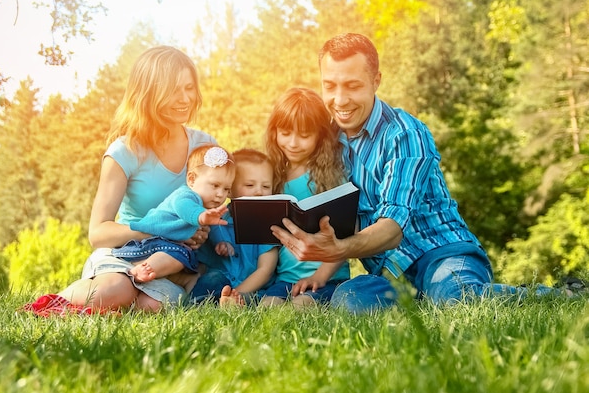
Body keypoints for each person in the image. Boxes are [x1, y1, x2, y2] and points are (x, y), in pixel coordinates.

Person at [270, 33, 559, 314]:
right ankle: (422, 303)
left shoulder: (404, 133)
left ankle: (556, 295)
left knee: (457, 301)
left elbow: (393, 228)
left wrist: (339, 249)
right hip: (389, 276)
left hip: (440, 255)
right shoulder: (327, 141)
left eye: (353, 86)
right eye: (330, 86)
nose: (340, 100)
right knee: (349, 300)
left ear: (376, 81)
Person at [33, 45, 217, 314]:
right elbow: (98, 233)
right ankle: (49, 305)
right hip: (125, 253)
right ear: (149, 94)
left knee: (152, 305)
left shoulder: (206, 149)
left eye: (189, 88)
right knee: (115, 291)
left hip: (173, 261)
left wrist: (203, 230)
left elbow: (218, 206)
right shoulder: (124, 151)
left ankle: (113, 305)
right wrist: (160, 229)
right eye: (174, 90)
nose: (185, 98)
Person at [260, 87, 350, 308]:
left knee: (300, 308)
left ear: (320, 135)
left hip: (327, 278)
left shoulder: (330, 176)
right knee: (267, 308)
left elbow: (346, 237)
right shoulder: (272, 175)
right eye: (286, 133)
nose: (292, 143)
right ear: (274, 131)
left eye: (304, 135)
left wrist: (319, 277)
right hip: (284, 279)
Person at [111, 144, 234, 294]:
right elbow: (185, 208)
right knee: (177, 255)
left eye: (226, 189)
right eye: (215, 185)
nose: (221, 194)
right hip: (154, 243)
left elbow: (210, 233)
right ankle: (141, 270)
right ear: (192, 179)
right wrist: (200, 216)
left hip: (172, 251)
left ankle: (194, 300)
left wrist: (221, 244)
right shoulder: (186, 196)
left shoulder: (207, 210)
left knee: (196, 272)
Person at [191, 148, 279, 306]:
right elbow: (202, 263)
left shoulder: (267, 225)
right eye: (250, 184)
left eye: (266, 186)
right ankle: (198, 304)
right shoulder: (216, 220)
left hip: (251, 289)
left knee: (256, 298)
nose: (259, 192)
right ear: (229, 189)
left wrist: (236, 293)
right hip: (220, 282)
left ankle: (231, 303)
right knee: (212, 278)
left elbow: (265, 270)